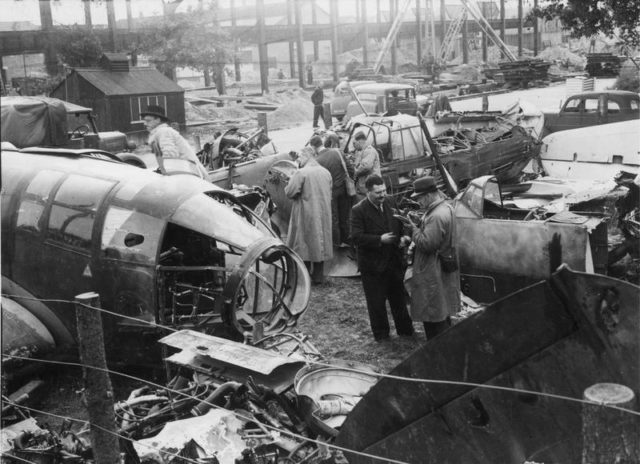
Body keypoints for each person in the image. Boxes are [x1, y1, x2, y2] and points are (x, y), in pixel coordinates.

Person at [351, 175, 414, 341]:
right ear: (368, 192)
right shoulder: (358, 210)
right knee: (376, 303)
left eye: (384, 190)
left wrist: (405, 237)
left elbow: (403, 224)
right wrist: (379, 240)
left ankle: (406, 331)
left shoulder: (391, 201)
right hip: (372, 266)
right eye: (378, 192)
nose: (382, 195)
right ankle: (382, 335)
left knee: (399, 299)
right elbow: (356, 237)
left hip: (393, 261)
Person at [398, 176, 460, 340]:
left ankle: (437, 348)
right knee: (442, 308)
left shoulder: (435, 216)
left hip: (432, 268)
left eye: (419, 198)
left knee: (433, 310)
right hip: (441, 264)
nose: (419, 202)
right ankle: (445, 343)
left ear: (427, 196)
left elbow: (427, 244)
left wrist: (413, 229)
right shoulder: (445, 208)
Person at [285, 147, 333, 284]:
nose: (299, 160)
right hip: (323, 213)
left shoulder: (301, 173)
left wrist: (289, 182)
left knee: (303, 243)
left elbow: (290, 192)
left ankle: (304, 277)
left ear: (307, 156)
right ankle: (318, 276)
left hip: (306, 213)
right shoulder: (326, 172)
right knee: (321, 242)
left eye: (300, 157)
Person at [142, 105, 209, 179]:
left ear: (158, 120)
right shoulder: (160, 132)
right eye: (144, 121)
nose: (145, 124)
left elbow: (170, 155)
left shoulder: (164, 132)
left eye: (148, 121)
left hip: (190, 174)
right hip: (188, 172)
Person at [309, 134, 351, 247]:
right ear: (322, 143)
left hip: (330, 192)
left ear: (313, 147)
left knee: (334, 217)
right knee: (345, 215)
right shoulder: (337, 152)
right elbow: (350, 167)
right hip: (343, 188)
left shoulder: (317, 161)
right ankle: (347, 240)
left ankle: (337, 242)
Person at [352, 132, 381, 196]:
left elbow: (366, 167)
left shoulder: (369, 151)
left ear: (359, 141)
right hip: (366, 186)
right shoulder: (362, 151)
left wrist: (354, 172)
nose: (353, 146)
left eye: (354, 143)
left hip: (370, 186)